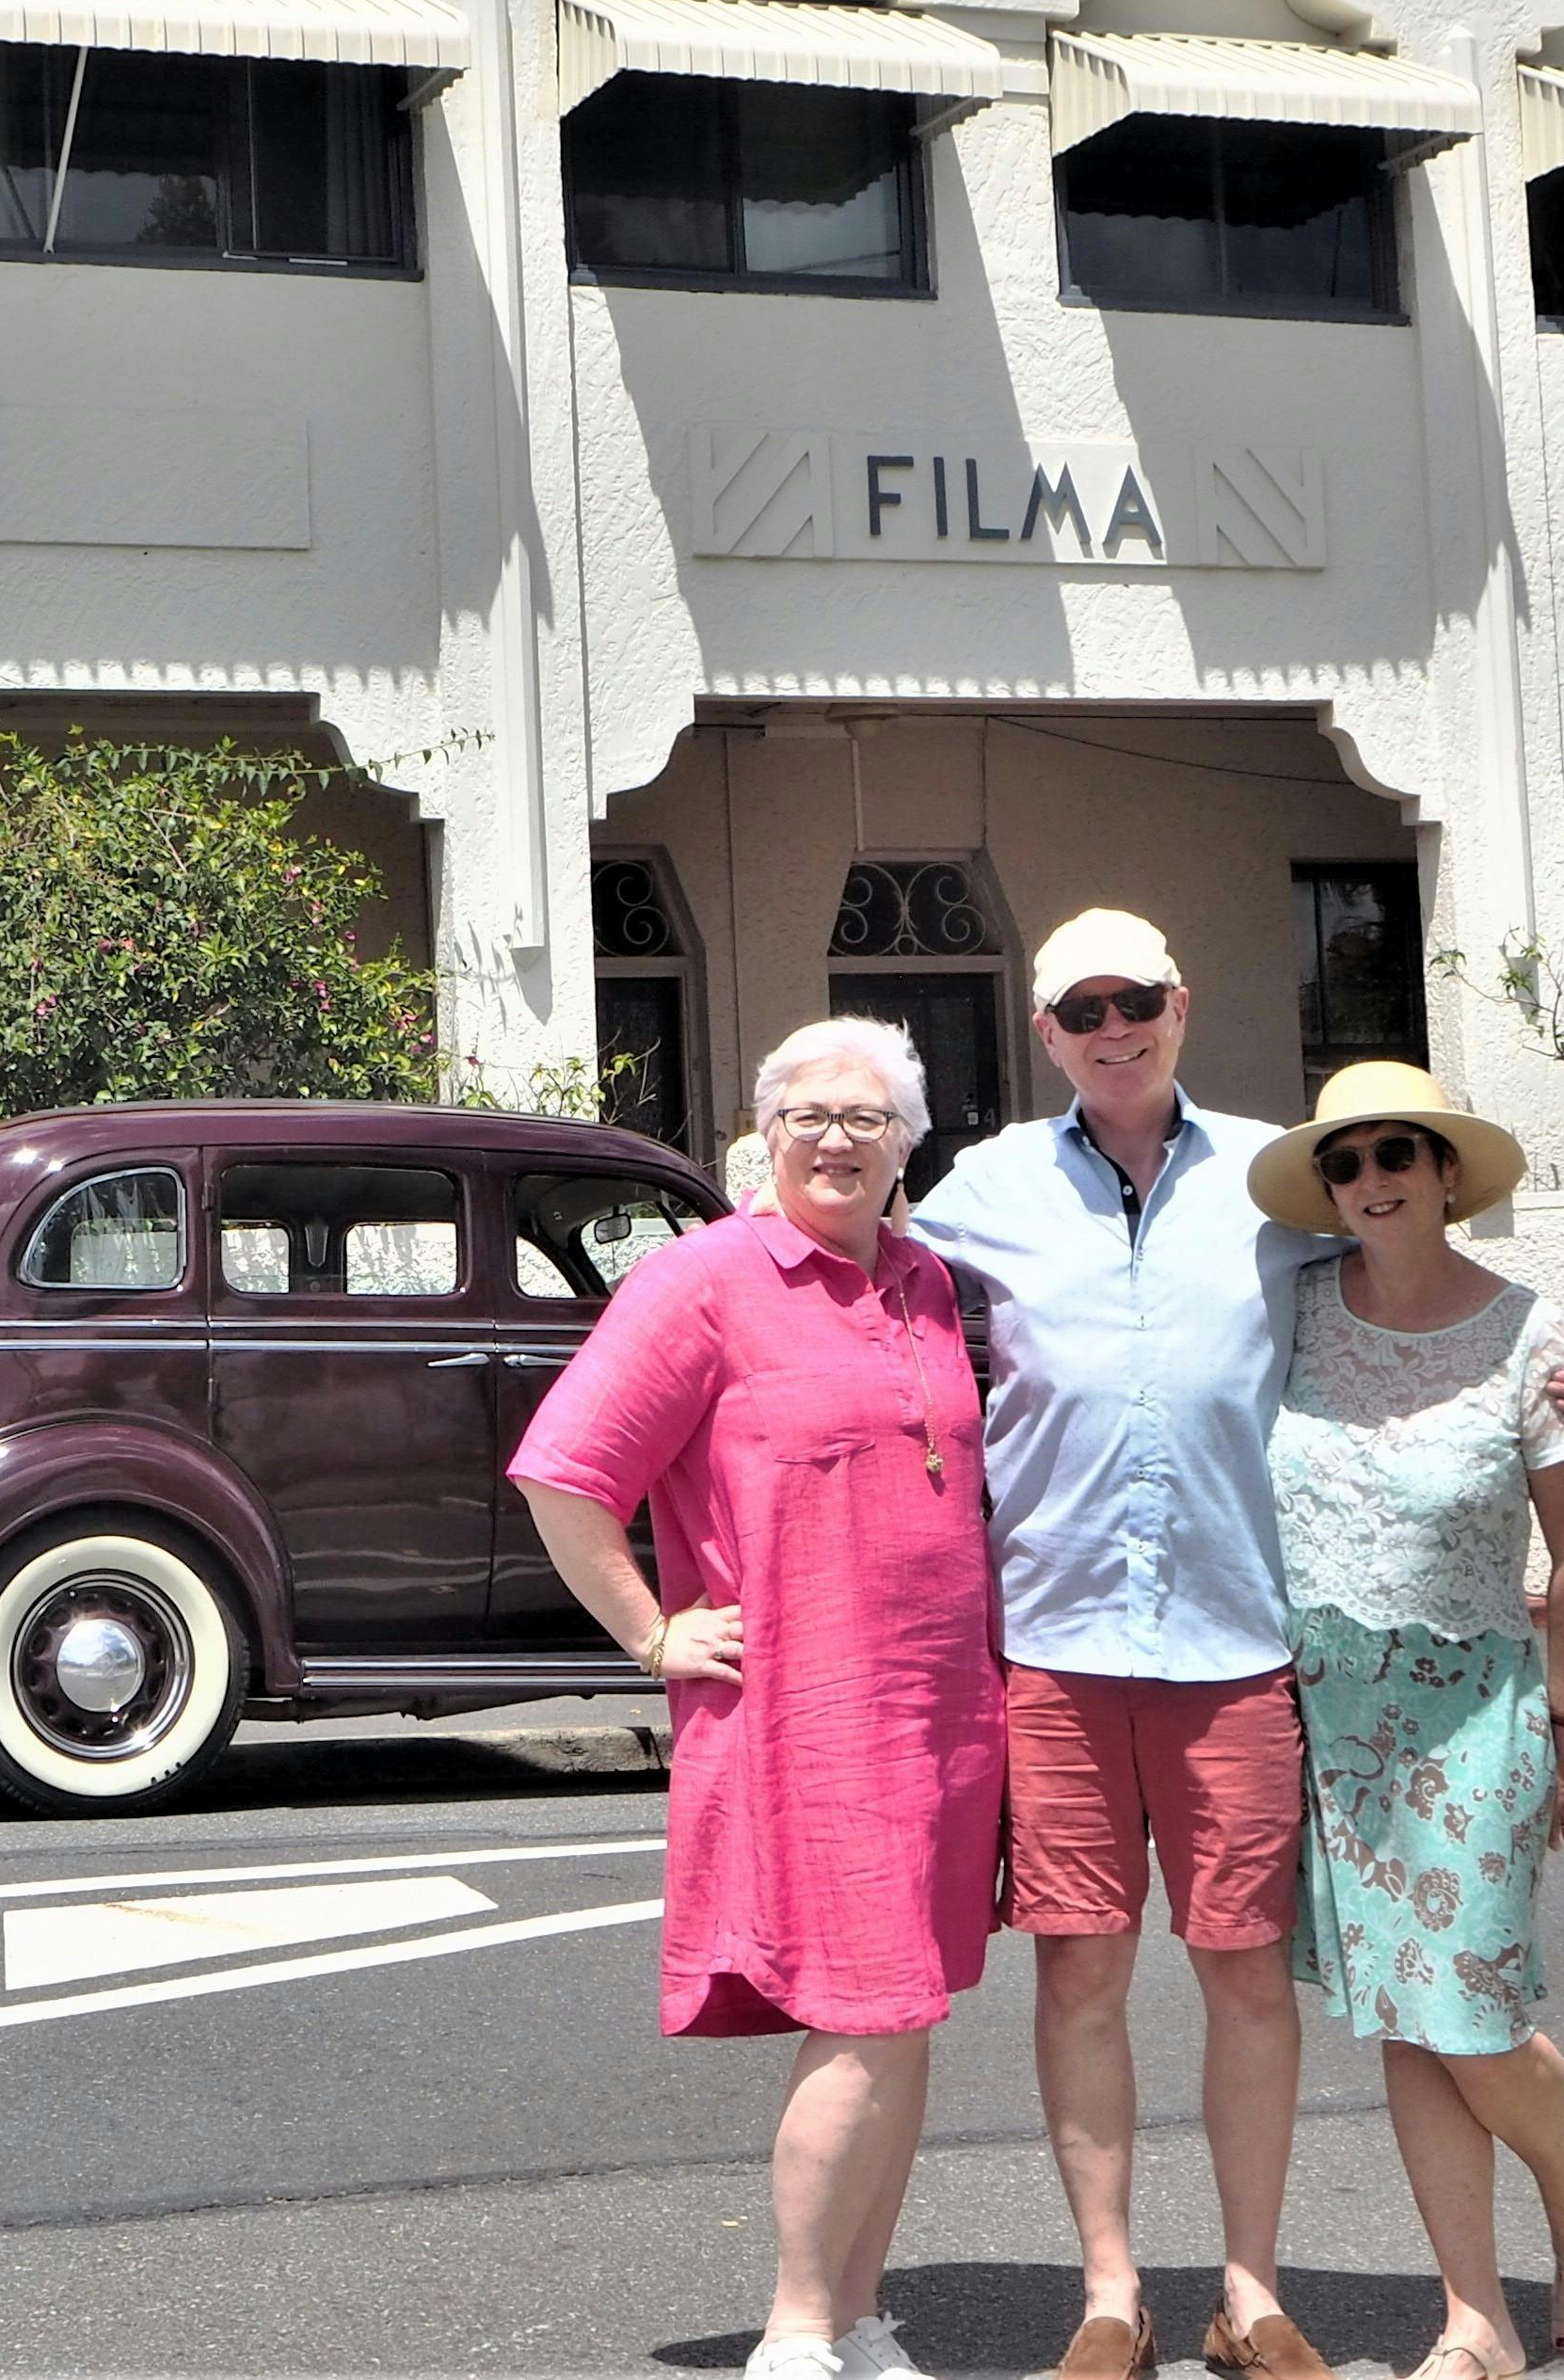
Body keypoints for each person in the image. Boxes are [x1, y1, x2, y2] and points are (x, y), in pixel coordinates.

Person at [905, 912, 1564, 2380]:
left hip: (1237, 1647)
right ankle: (1111, 2296)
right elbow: (864, 1301)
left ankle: (1248, 2289)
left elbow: (1411, 1284)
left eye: (1139, 999)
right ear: (1045, 1034)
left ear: (1181, 1002)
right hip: (1058, 1638)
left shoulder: (1276, 1182)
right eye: (1082, 1008)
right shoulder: (978, 1189)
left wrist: (1561, 1372)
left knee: (1243, 1977)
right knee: (1081, 1977)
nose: (1115, 1026)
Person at [512, 1016, 1006, 2380]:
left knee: (904, 2018)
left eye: (868, 1119)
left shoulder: (924, 1284)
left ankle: (857, 2313)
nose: (839, 1140)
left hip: (944, 1714)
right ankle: (795, 2323)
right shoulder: (700, 1282)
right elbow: (566, 1472)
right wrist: (649, 1632)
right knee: (862, 2011)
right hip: (811, 1713)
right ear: (765, 1133)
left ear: (908, 1144)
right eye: (812, 1116)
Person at [1253, 1062, 1564, 2373]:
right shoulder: (1288, 1308)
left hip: (1474, 1714)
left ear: (1447, 1172)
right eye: (1344, 1163)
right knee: (1405, 2022)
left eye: (1395, 1153)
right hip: (1326, 1716)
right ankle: (1473, 2317)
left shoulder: (1535, 1337)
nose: (1370, 1182)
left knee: (1467, 2009)